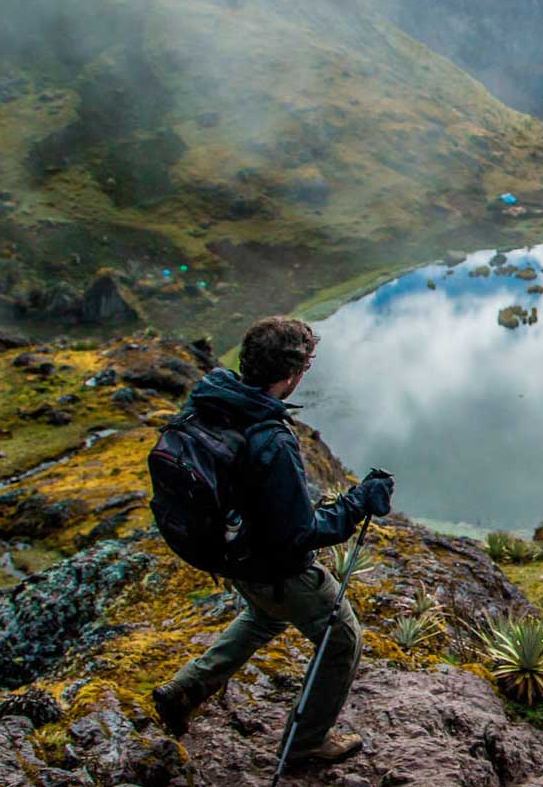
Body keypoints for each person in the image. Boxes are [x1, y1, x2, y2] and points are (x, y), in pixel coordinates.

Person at [152, 317, 394, 766]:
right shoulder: (271, 437)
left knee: (264, 618)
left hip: (231, 556)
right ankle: (305, 745)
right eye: (306, 365)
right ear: (293, 374)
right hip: (276, 568)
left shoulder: (214, 402)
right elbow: (300, 532)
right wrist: (359, 502)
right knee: (341, 640)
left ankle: (184, 690)